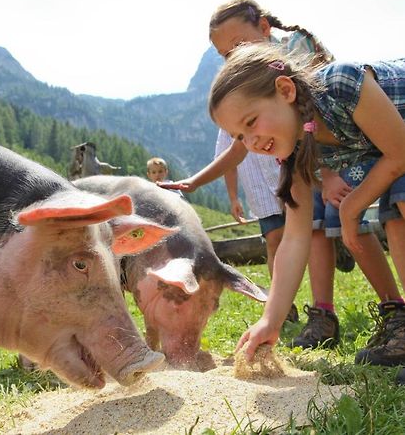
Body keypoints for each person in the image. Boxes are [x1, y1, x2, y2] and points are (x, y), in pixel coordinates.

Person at [161, 43, 405, 370]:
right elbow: (294, 239)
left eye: (251, 122)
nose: (252, 143)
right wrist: (270, 321)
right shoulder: (294, 155)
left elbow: (399, 153)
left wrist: (350, 209)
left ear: (285, 90)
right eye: (240, 137)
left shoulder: (341, 85)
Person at [209, 0, 332, 282]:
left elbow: (326, 104)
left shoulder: (296, 47)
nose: (233, 58)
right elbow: (232, 151)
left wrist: (329, 170)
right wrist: (210, 187)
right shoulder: (240, 88)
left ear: (264, 26)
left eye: (238, 47)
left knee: (340, 225)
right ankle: (310, 307)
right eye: (224, 55)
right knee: (298, 231)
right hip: (284, 170)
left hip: (328, 152)